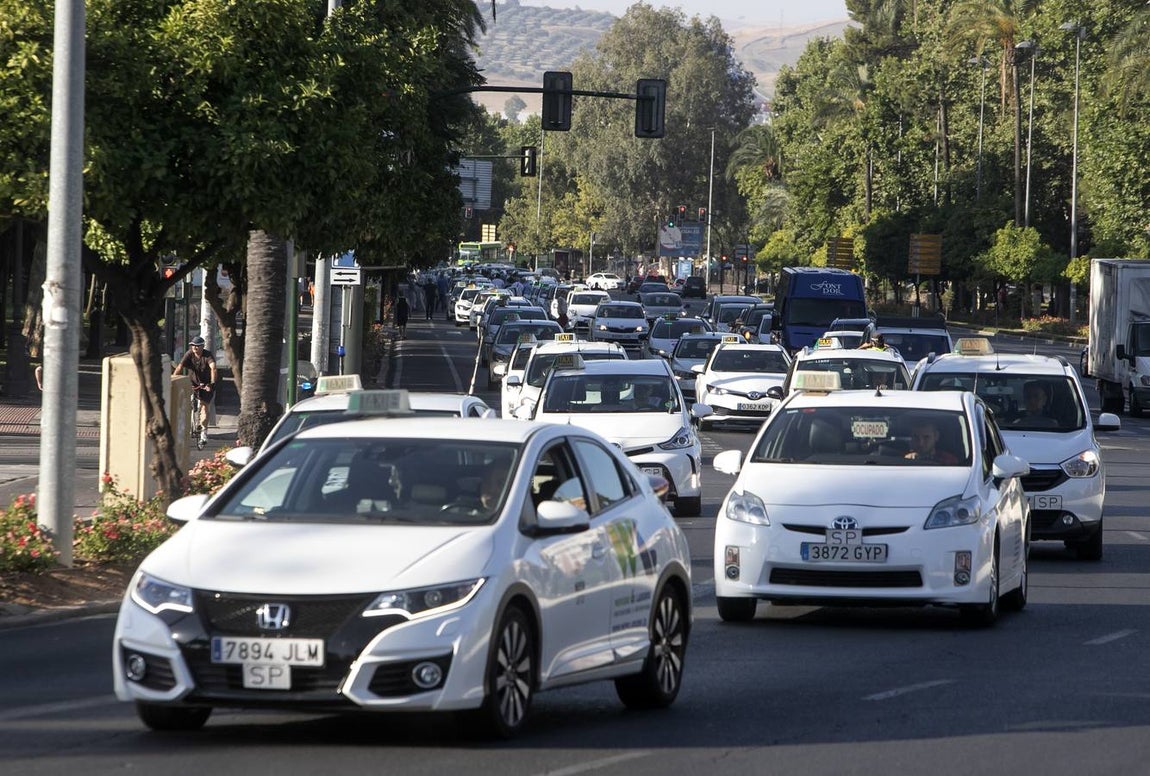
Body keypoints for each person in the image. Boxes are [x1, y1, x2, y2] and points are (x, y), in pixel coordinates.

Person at [173, 336, 218, 442]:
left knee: (204, 408)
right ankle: (189, 426)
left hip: (206, 385)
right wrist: (172, 379)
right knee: (186, 405)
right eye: (192, 345)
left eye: (197, 346)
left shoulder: (208, 355)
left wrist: (211, 383)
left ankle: (203, 432)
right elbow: (180, 367)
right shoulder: (189, 354)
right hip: (193, 383)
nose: (194, 348)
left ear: (202, 346)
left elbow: (214, 368)